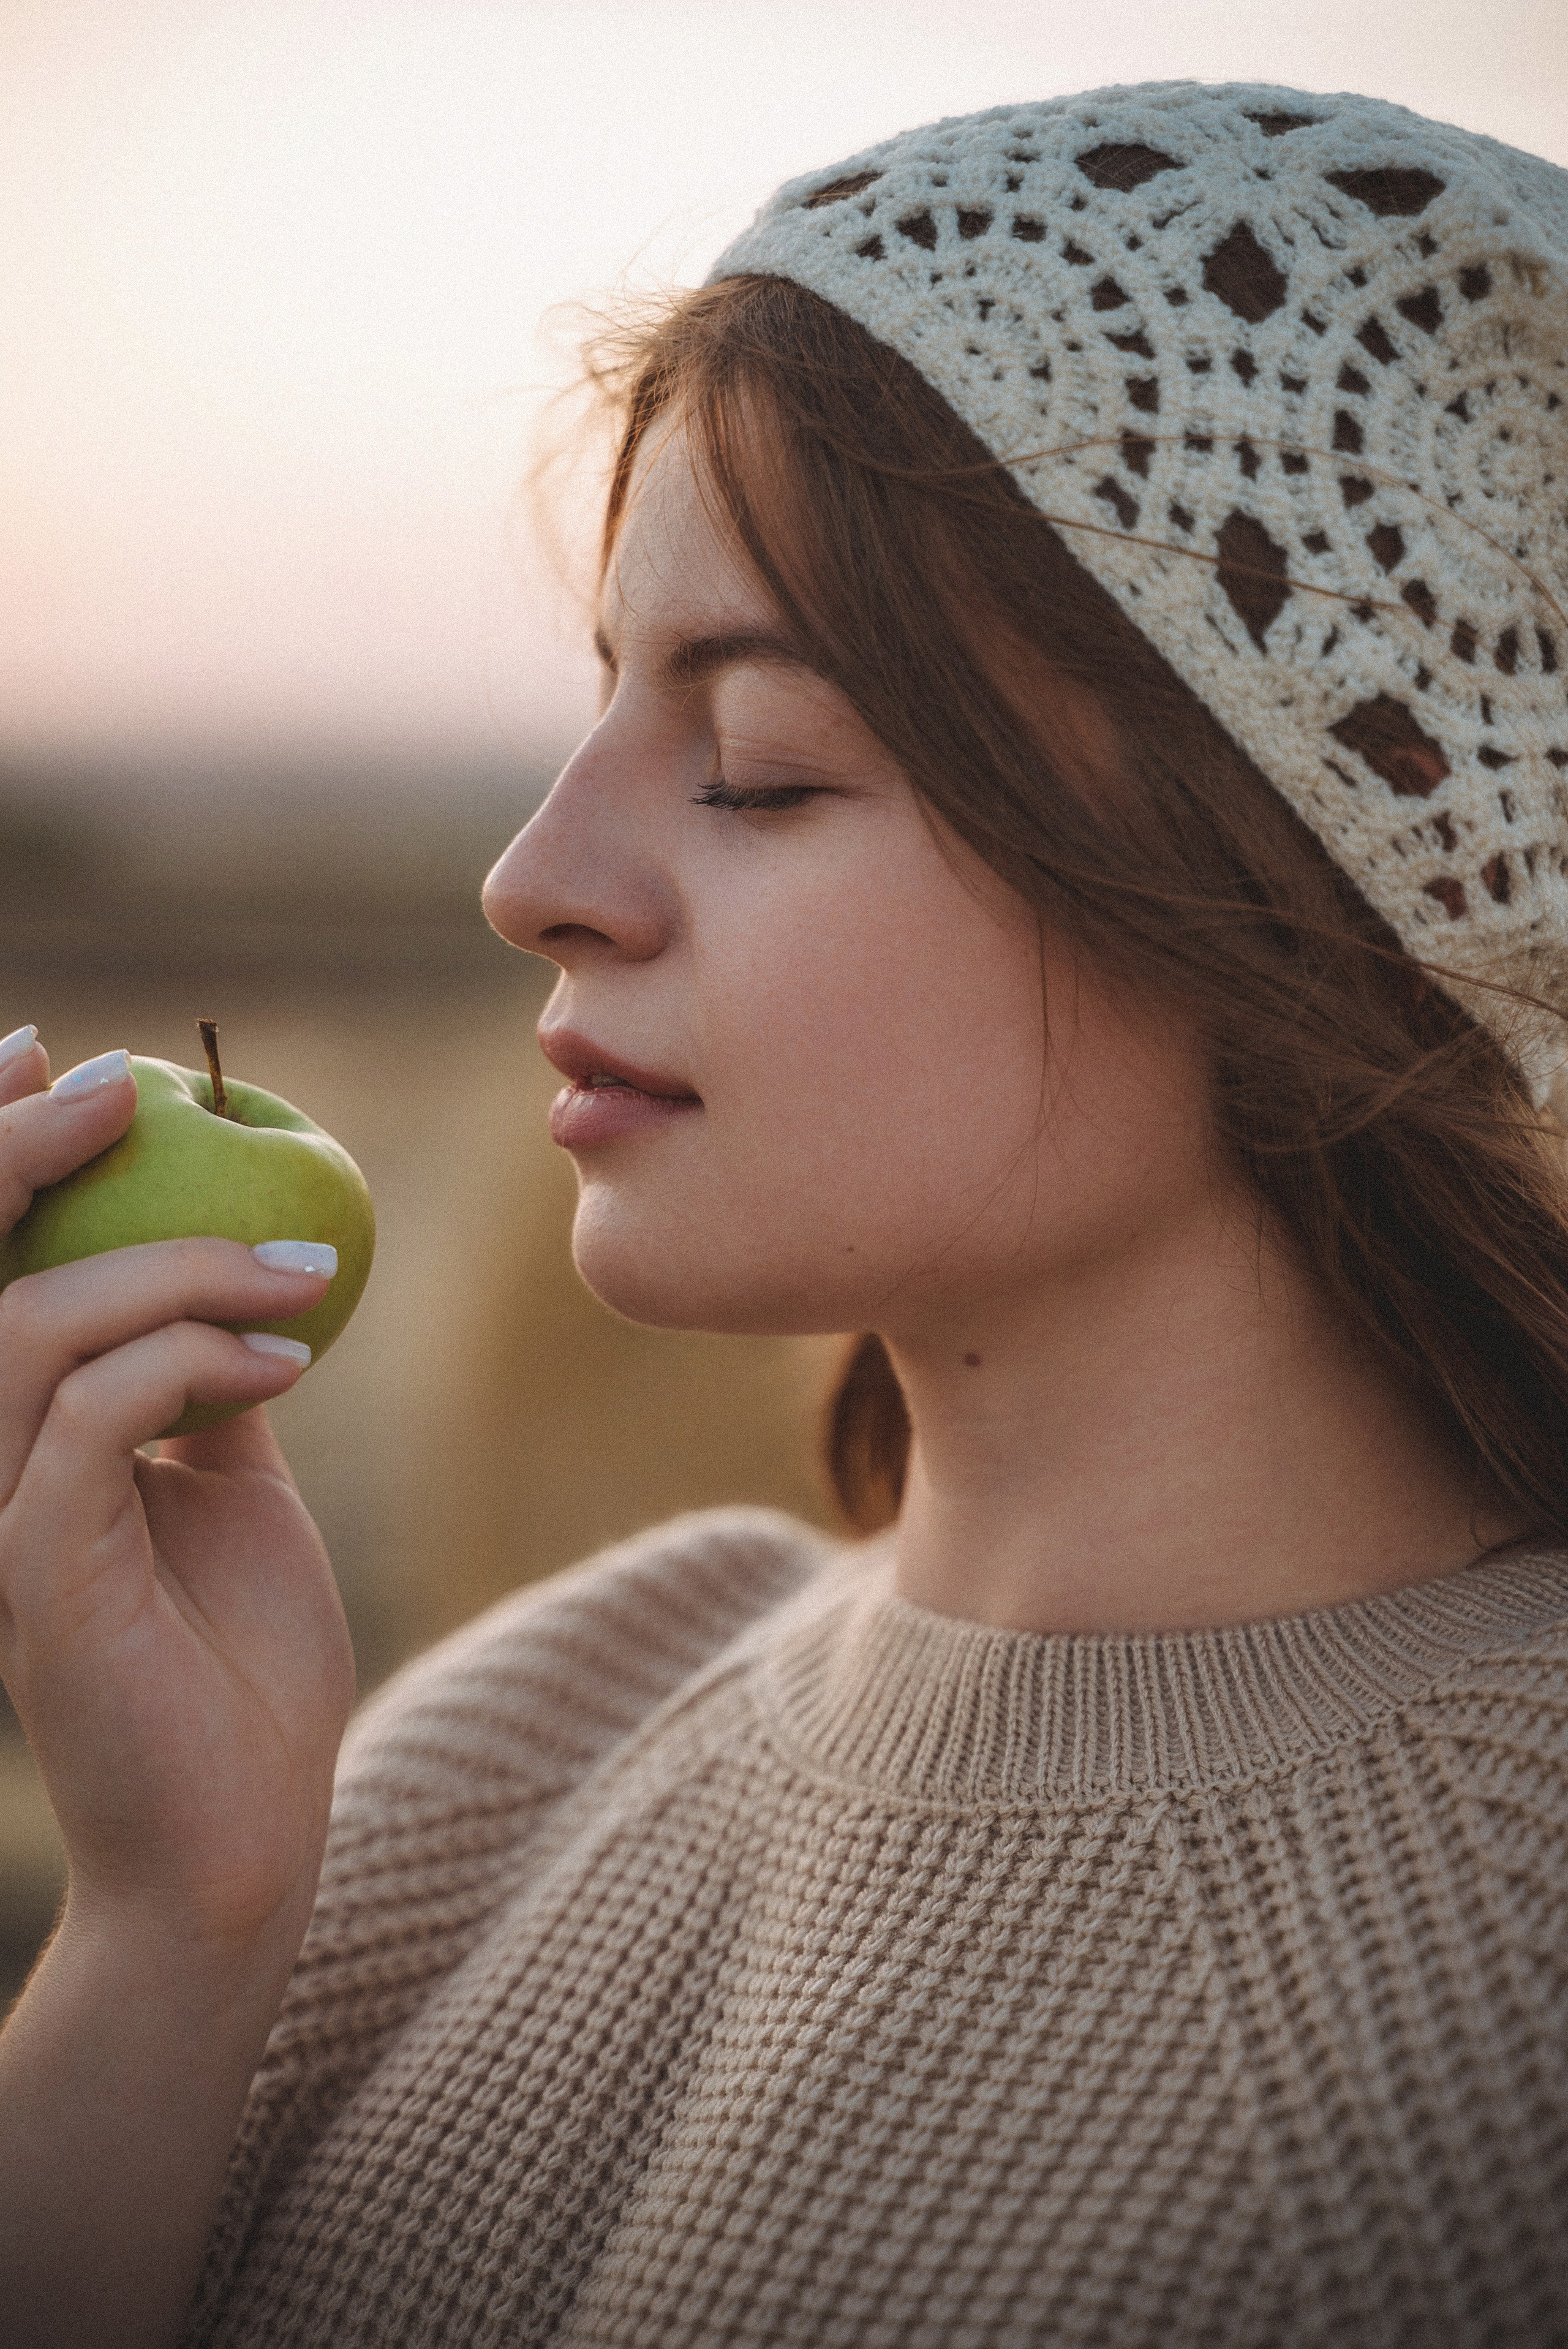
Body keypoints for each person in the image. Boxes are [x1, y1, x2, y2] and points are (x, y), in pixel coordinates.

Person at [2, 77, 1567, 2349]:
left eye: (761, 766)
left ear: (1294, 888)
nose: (533, 879)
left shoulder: (1510, 1981)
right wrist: (169, 1928)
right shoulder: (535, 1711)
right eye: (602, 704)